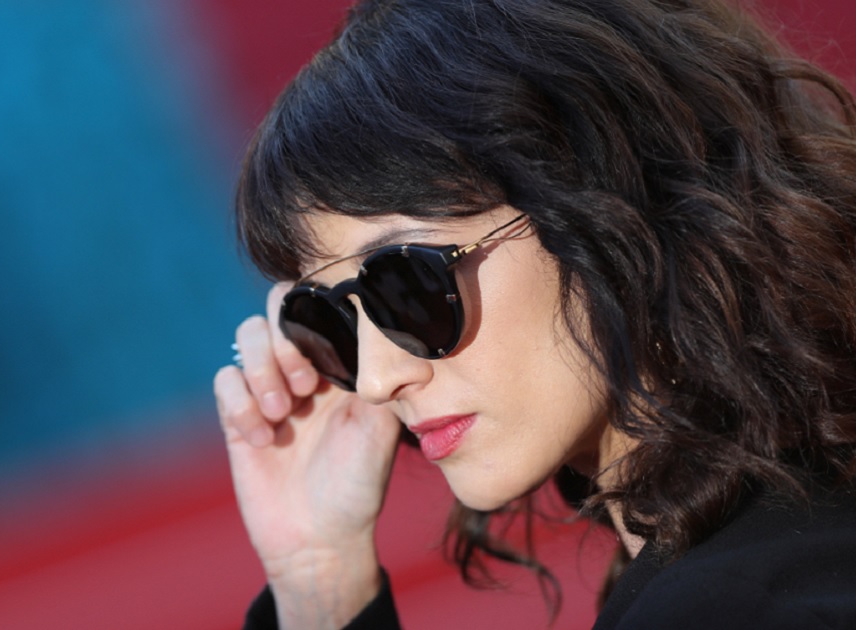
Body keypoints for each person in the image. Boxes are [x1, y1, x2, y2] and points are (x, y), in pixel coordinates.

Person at [213, 0, 856, 627]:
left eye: (408, 281)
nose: (379, 380)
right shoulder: (779, 552)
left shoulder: (731, 605)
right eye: (330, 322)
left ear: (603, 207)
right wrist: (320, 576)